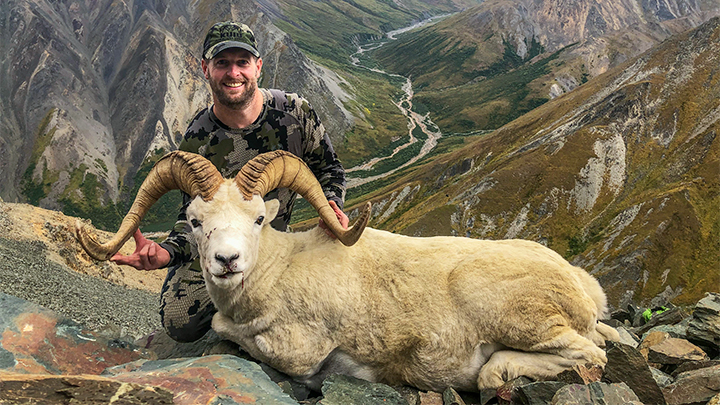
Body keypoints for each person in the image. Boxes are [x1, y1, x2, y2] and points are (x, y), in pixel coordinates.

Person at [111, 21, 349, 342]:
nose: (233, 72)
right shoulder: (199, 138)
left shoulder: (294, 112)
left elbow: (329, 169)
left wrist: (331, 207)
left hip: (273, 247)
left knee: (336, 303)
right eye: (222, 63)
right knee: (181, 321)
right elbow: (191, 216)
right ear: (205, 69)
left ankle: (248, 321)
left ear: (258, 67)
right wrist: (166, 253)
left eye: (242, 62)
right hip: (219, 245)